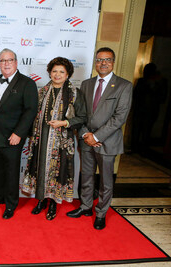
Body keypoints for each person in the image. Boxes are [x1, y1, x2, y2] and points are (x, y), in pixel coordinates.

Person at [66, 47, 133, 230]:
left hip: (107, 142)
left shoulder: (124, 86)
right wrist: (87, 135)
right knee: (86, 177)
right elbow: (83, 113)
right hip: (86, 139)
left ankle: (101, 213)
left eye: (108, 59)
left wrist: (96, 136)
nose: (103, 63)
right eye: (100, 60)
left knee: (105, 181)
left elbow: (119, 117)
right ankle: (86, 206)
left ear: (113, 62)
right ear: (95, 62)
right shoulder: (87, 84)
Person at [22, 57, 87, 220]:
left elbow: (82, 117)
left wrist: (64, 122)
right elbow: (32, 114)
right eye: (54, 71)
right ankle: (41, 200)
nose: (57, 75)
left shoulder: (74, 93)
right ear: (50, 73)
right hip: (41, 138)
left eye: (61, 72)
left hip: (61, 142)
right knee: (40, 168)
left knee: (58, 171)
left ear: (68, 74)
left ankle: (53, 203)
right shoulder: (42, 91)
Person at [0, 48, 38, 219]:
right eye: (2, 61)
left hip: (12, 137)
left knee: (11, 172)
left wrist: (19, 133)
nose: (6, 64)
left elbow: (30, 111)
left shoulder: (27, 83)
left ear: (16, 62)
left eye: (9, 60)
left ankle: (10, 204)